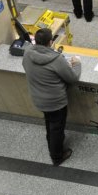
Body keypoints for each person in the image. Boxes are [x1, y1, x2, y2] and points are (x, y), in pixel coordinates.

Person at [22, 28, 81, 166]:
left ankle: (51, 142)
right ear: (50, 42)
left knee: (49, 122)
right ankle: (57, 156)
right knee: (57, 128)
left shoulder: (28, 53)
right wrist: (77, 63)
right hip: (55, 102)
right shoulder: (56, 60)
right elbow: (72, 78)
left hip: (38, 99)